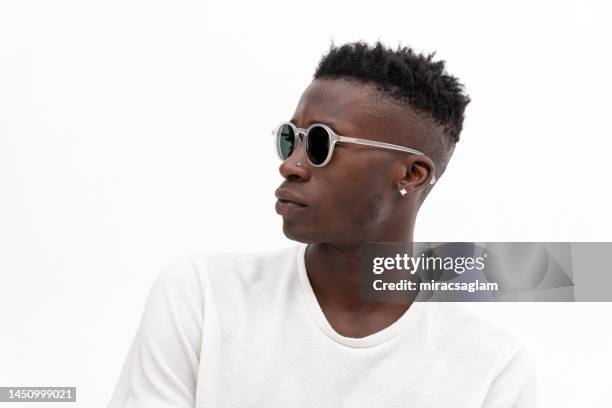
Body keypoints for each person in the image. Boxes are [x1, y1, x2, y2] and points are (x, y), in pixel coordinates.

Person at [107, 41, 536, 407]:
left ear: (411, 175)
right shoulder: (203, 296)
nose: (290, 166)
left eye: (320, 144)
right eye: (290, 139)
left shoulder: (490, 368)